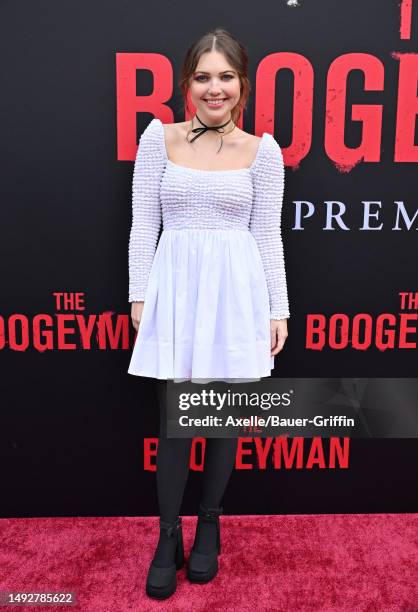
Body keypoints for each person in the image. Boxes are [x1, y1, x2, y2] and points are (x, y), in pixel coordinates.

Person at [127, 28, 290, 599]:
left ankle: (210, 523)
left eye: (225, 76)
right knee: (176, 425)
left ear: (242, 84)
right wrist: (139, 295)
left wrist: (278, 308)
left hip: (237, 294)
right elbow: (144, 222)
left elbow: (267, 234)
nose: (214, 88)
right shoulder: (159, 139)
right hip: (175, 291)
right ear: (187, 84)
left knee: (219, 423)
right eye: (203, 76)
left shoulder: (263, 152)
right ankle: (168, 534)